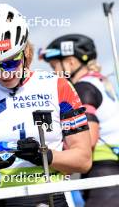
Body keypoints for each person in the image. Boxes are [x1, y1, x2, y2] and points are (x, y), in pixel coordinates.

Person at [0, 5, 92, 207]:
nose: (2, 73)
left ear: (25, 52)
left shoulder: (58, 86)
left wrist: (45, 155)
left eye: (9, 63)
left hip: (50, 197)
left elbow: (84, 159)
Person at [39, 34, 119, 207]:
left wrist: (51, 155)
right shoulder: (103, 82)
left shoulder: (82, 89)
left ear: (70, 63)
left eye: (54, 66)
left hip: (103, 176)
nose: (54, 73)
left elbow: (88, 139)